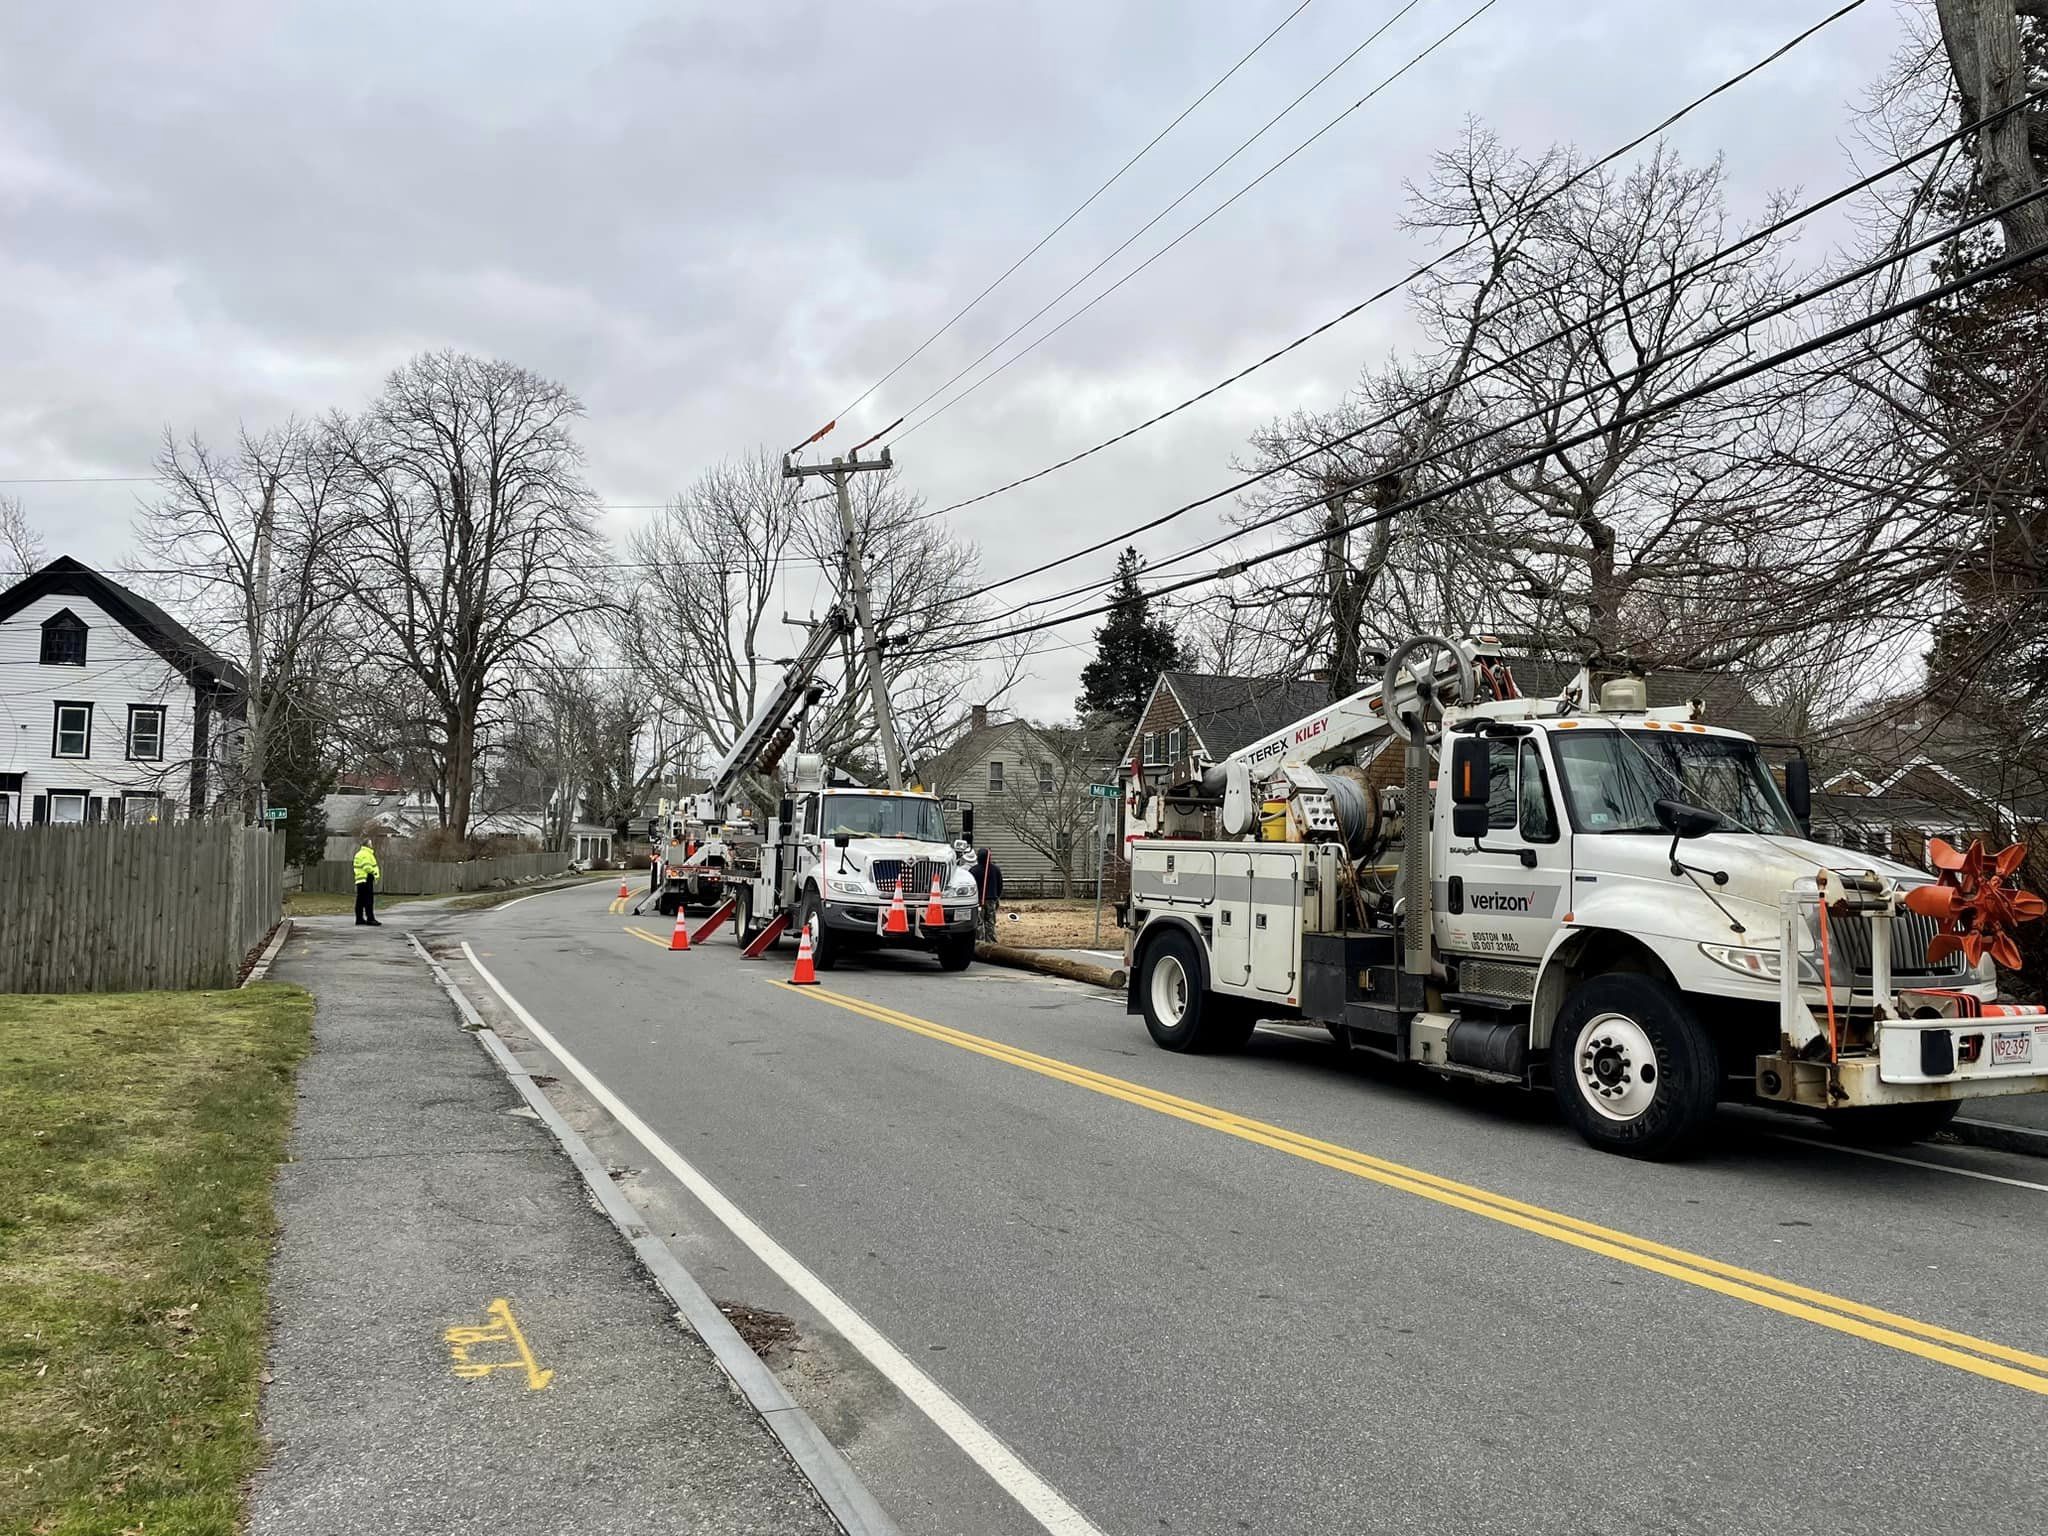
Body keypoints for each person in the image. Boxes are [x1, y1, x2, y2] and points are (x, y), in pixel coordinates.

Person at [973, 846, 1003, 942]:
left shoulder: (974, 870)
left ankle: (979, 941)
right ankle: (990, 941)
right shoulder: (995, 870)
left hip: (978, 900)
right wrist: (997, 896)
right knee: (990, 922)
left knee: (979, 922)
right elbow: (1000, 885)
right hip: (991, 900)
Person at [353, 837, 382, 926]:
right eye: (370, 843)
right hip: (366, 878)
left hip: (360, 879)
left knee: (360, 900)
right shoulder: (366, 854)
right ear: (367, 844)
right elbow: (367, 867)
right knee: (369, 900)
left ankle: (359, 919)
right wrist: (374, 873)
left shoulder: (359, 854)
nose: (372, 845)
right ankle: (370, 919)